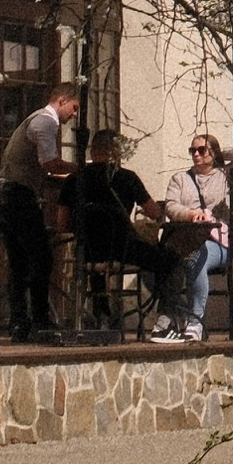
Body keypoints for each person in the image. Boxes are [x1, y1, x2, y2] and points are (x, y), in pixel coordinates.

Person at [0, 79, 78, 339]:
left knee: (18, 261)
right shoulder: (46, 121)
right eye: (74, 108)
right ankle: (40, 320)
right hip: (18, 196)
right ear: (62, 100)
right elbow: (49, 163)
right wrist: (79, 170)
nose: (74, 115)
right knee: (42, 258)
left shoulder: (36, 119)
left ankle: (19, 322)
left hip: (5, 195)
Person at [147, 131, 233, 341]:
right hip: (187, 238)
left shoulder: (225, 178)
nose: (196, 154)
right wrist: (190, 214)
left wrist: (221, 154)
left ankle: (195, 322)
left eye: (201, 150)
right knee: (163, 259)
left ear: (213, 152)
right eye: (192, 150)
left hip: (217, 240)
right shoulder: (180, 179)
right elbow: (171, 206)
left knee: (195, 257)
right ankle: (174, 314)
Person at [69, 129, 157, 334]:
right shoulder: (128, 178)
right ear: (116, 151)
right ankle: (165, 317)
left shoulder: (76, 179)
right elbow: (154, 212)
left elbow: (62, 222)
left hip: (87, 253)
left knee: (96, 255)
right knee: (169, 260)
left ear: (92, 151)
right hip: (122, 250)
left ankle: (102, 314)